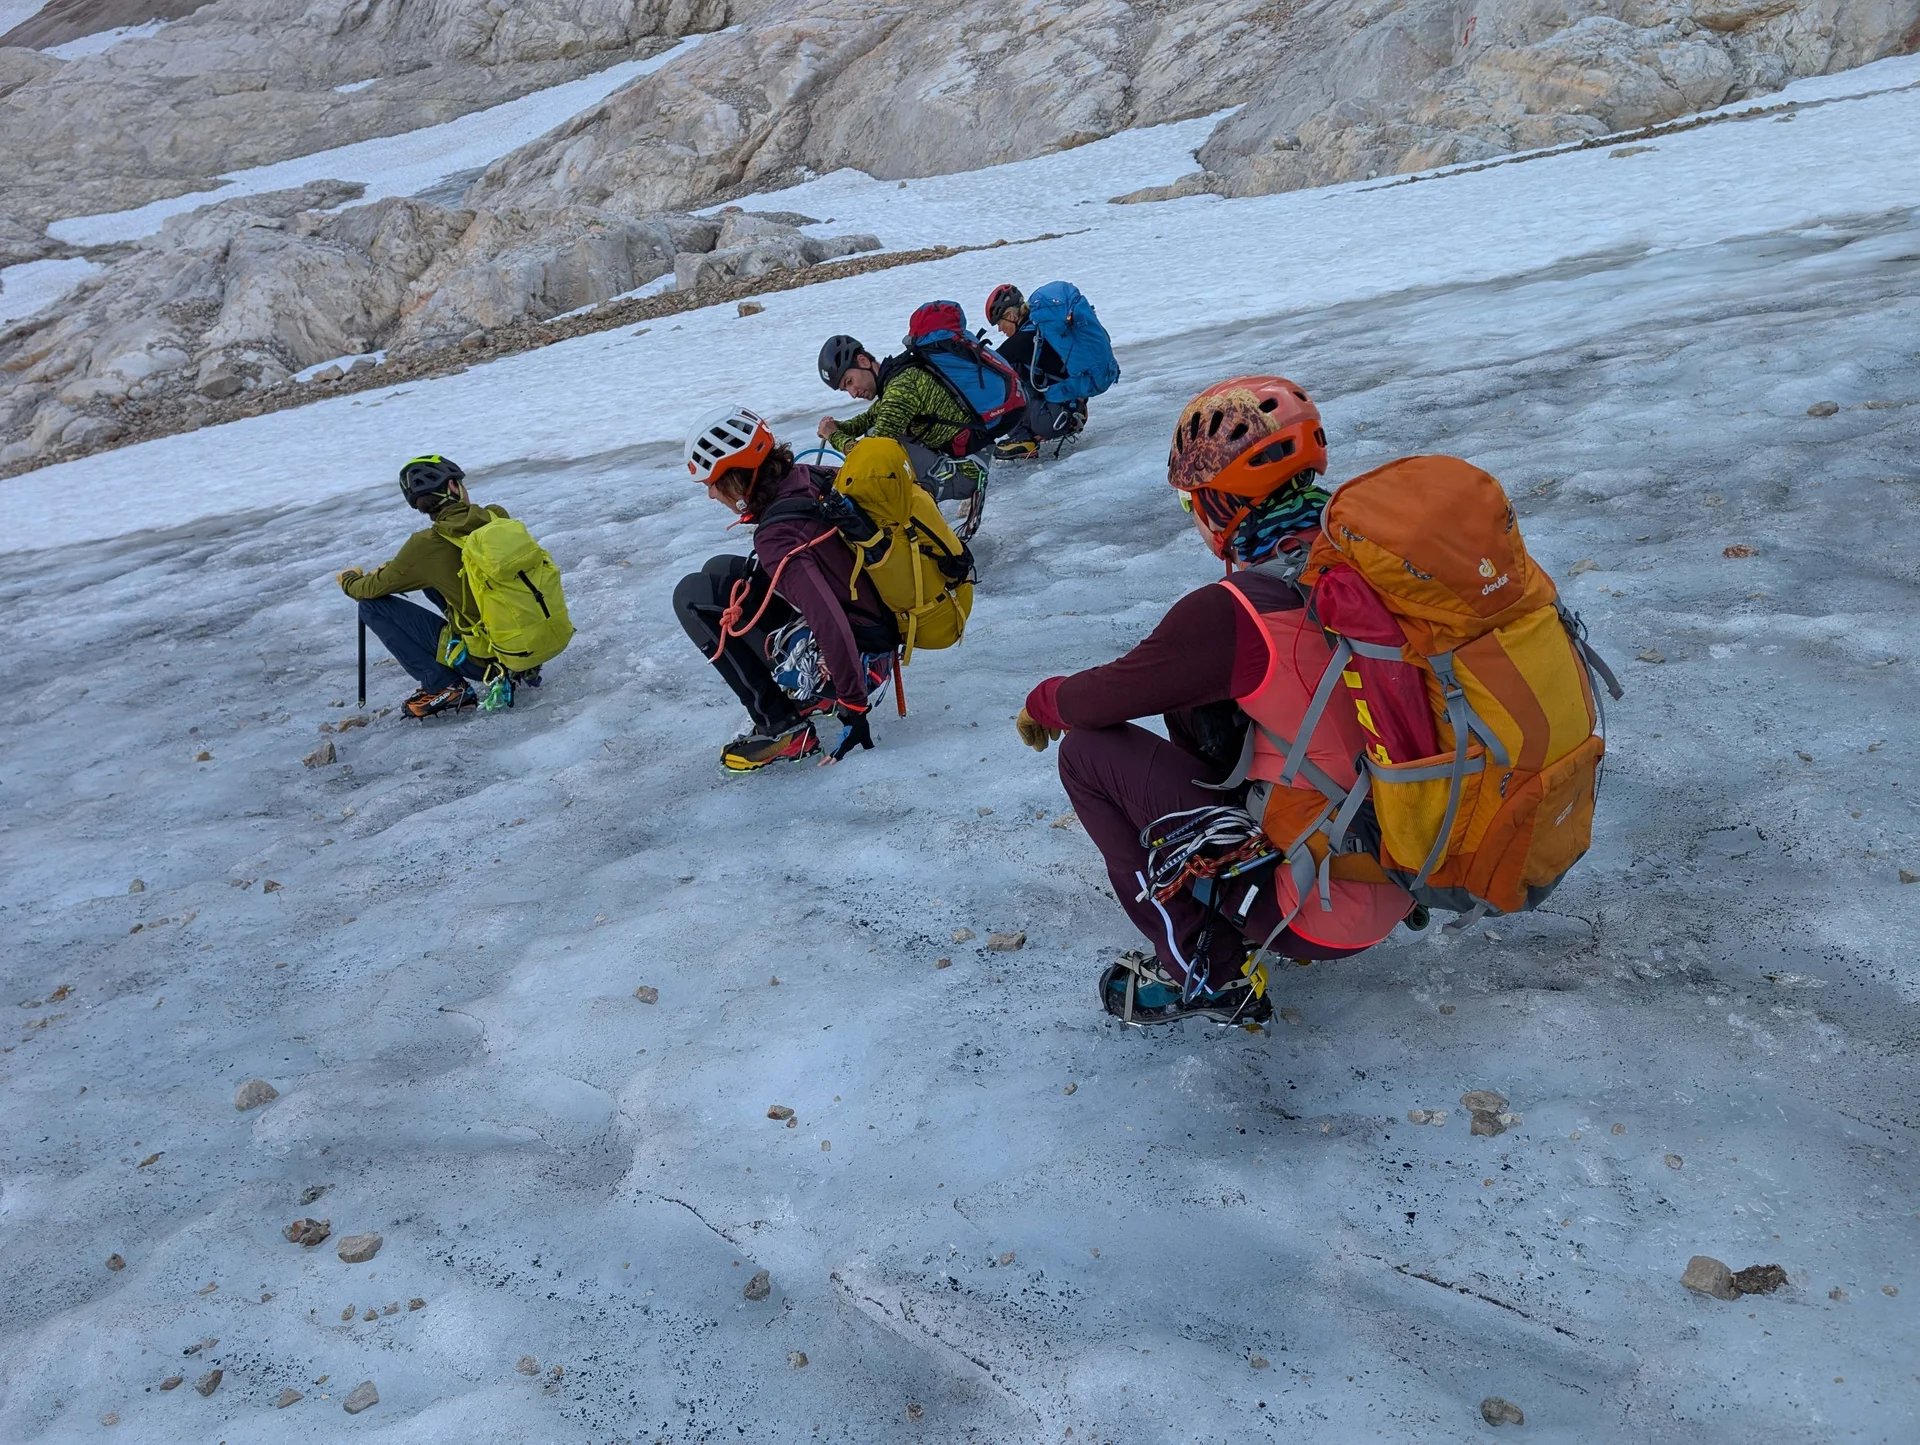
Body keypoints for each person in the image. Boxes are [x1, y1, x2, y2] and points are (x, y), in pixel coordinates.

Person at [1014, 377, 1415, 1024]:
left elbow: (1098, 700)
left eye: (1190, 503)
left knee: (1086, 755)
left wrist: (1043, 701)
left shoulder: (1238, 612)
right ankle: (1242, 895)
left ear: (1218, 502)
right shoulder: (1370, 556)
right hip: (1407, 860)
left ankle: (1206, 969)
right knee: (1201, 706)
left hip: (1319, 906)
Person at [674, 406, 898, 771]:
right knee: (720, 570)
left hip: (859, 665)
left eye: (712, 483)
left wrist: (854, 706)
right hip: (875, 635)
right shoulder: (805, 476)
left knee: (690, 597)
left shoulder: (777, 536)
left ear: (736, 477)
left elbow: (828, 620)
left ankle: (782, 729)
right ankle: (815, 700)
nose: (712, 495)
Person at [337, 456, 544, 718]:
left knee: (371, 606)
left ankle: (442, 685)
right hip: (531, 643)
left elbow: (365, 590)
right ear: (454, 487)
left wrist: (349, 579)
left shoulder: (425, 547)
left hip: (485, 661)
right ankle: (519, 668)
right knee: (437, 583)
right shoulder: (497, 517)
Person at [815, 333, 990, 533]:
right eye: (845, 389)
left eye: (849, 382)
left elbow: (870, 457)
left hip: (967, 472)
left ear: (863, 361)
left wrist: (834, 436)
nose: (853, 393)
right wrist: (835, 427)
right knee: (875, 435)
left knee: (880, 463)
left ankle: (926, 532)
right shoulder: (896, 378)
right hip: (964, 456)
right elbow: (866, 420)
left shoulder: (901, 388)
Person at [984, 284, 1086, 462]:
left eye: (999, 323)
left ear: (1011, 315)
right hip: (1072, 411)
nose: (1000, 329)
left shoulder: (1023, 340)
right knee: (1015, 369)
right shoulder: (1040, 328)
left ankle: (1022, 439)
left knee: (994, 381)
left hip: (1053, 420)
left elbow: (988, 367)